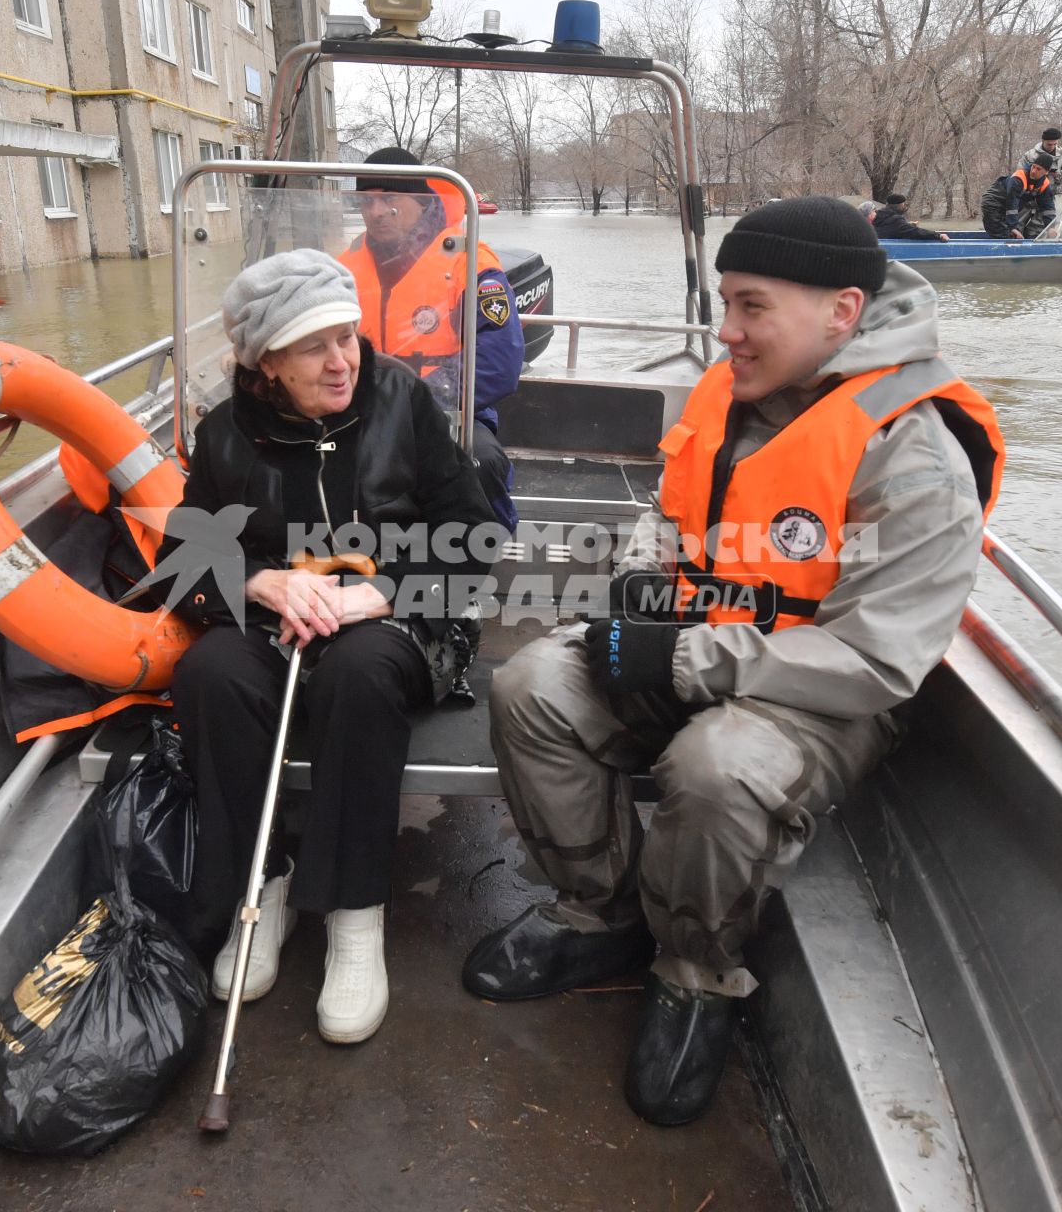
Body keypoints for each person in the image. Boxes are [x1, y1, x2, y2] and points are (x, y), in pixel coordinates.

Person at [461, 197, 1003, 1126]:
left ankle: (696, 976)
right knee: (531, 686)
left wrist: (685, 659)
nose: (728, 331)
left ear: (841, 312)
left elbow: (876, 663)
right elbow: (670, 513)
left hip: (818, 694)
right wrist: (641, 576)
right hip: (694, 646)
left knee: (714, 768)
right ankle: (600, 913)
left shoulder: (915, 456)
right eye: (726, 304)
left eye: (752, 307)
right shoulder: (731, 389)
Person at [165, 248, 499, 1045]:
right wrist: (261, 583)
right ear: (267, 362)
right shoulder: (224, 435)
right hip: (280, 622)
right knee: (208, 670)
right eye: (315, 345)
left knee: (360, 668)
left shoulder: (402, 401)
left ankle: (356, 916)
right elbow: (180, 562)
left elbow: (473, 537)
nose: (342, 359)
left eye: (348, 336)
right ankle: (262, 884)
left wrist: (372, 594)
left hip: (408, 614)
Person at [340, 146, 526, 529]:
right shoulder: (344, 266)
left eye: (389, 198)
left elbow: (500, 360)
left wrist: (419, 404)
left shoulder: (469, 262)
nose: (375, 211)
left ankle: (479, 551)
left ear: (422, 200)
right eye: (366, 200)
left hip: (448, 410)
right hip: (357, 406)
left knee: (483, 460)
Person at [980, 152, 1056, 239]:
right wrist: (1013, 227)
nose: (1034, 171)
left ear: (1046, 172)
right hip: (993, 202)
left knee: (1011, 235)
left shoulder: (1045, 184)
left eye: (1038, 169)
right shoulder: (1019, 178)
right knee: (1001, 235)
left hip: (1006, 205)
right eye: (1033, 167)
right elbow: (1012, 204)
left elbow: (1048, 207)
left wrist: (1051, 227)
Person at [870, 193, 950, 242]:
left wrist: (906, 224)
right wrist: (938, 235)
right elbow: (915, 232)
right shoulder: (896, 221)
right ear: (900, 205)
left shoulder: (878, 215)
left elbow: (889, 228)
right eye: (904, 204)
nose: (905, 207)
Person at [1019, 127, 1062, 195]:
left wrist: (1057, 174)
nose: (1052, 147)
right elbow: (1020, 172)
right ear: (1043, 141)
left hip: (1053, 193)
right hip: (1031, 192)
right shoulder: (1030, 155)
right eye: (1049, 144)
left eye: (1055, 144)